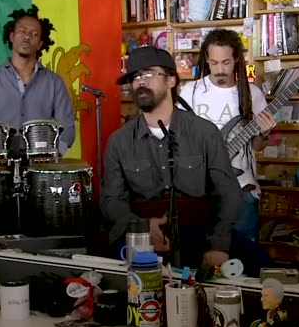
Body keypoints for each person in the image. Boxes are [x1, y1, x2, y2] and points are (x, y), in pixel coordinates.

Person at [101, 47, 242, 270]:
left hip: (201, 232)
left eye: (148, 74)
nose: (140, 82)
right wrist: (142, 227)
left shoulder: (204, 133)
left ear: (171, 81)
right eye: (135, 77)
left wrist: (218, 244)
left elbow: (228, 192)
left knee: (261, 273)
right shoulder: (119, 142)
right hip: (140, 234)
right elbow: (111, 201)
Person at [181, 28, 276, 243]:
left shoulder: (252, 94)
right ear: (206, 59)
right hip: (200, 191)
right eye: (214, 63)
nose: (220, 70)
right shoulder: (190, 91)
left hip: (242, 188)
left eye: (226, 62)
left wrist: (265, 133)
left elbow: (257, 146)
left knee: (243, 258)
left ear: (236, 60)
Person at [0, 6, 76, 154]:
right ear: (11, 36)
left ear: (40, 44)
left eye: (34, 34)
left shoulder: (54, 82)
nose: (27, 36)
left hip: (42, 166)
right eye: (22, 31)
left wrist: (54, 155)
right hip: (0, 166)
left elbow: (67, 127)